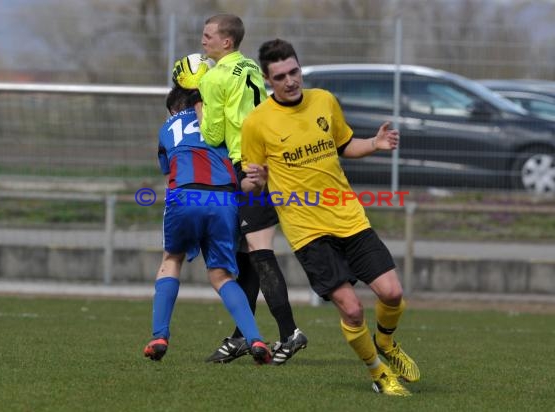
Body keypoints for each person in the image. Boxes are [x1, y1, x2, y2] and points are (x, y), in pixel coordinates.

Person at [240, 38, 420, 396]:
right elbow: (250, 185)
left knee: (393, 293)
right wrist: (254, 181)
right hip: (307, 232)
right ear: (267, 80)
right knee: (352, 311)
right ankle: (378, 373)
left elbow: (343, 145)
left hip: (349, 217)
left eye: (294, 71)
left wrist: (374, 144)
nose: (290, 81)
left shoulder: (324, 100)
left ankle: (386, 343)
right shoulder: (257, 123)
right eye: (280, 76)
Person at [195, 14, 307, 365]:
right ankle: (243, 335)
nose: (203, 41)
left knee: (259, 251)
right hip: (271, 159)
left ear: (226, 42)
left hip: (248, 166)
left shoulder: (214, 77)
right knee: (247, 254)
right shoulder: (250, 67)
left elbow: (212, 135)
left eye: (208, 35)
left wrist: (199, 108)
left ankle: (289, 333)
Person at [142, 82, 271, 365]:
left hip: (185, 195)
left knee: (171, 259)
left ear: (174, 109)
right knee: (221, 275)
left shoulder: (166, 129)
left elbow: (169, 172)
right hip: (224, 199)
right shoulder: (219, 123)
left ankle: (159, 335)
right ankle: (255, 338)